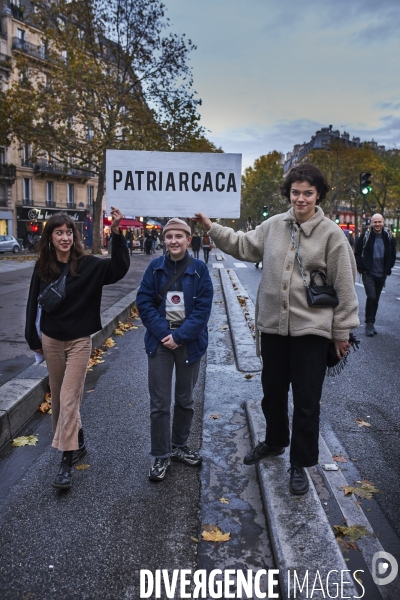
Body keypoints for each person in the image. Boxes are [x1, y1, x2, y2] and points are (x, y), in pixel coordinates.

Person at [196, 164, 359, 495]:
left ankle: (300, 462)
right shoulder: (273, 226)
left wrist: (341, 332)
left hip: (311, 332)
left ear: (319, 196)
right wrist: (211, 227)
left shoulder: (332, 234)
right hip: (272, 328)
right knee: (271, 391)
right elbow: (243, 245)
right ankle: (274, 441)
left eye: (308, 193)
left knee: (306, 400)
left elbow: (345, 286)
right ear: (288, 193)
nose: (301, 199)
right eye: (295, 192)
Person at [25, 208, 129, 489]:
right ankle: (77, 440)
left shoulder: (88, 265)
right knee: (59, 398)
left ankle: (66, 461)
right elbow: (33, 302)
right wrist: (32, 339)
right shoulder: (43, 267)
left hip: (80, 342)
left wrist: (117, 233)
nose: (65, 237)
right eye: (59, 232)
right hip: (51, 340)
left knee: (70, 397)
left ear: (75, 235)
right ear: (50, 237)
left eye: (69, 232)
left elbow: (118, 269)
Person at [136, 218, 213, 482]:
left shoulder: (200, 269)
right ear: (164, 240)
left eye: (179, 236)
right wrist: (165, 334)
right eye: (169, 237)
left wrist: (179, 336)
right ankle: (160, 454)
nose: (174, 241)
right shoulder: (155, 268)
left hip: (189, 344)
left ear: (188, 240)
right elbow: (144, 302)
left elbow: (203, 310)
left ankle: (179, 446)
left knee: (185, 400)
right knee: (159, 403)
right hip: (160, 343)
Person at [354, 214, 396, 336]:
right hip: (369, 273)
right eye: (375, 222)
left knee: (376, 300)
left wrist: (389, 267)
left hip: (382, 273)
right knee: (371, 296)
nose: (377, 224)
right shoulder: (365, 237)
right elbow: (357, 253)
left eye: (379, 222)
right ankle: (369, 324)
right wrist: (362, 268)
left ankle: (372, 323)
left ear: (383, 223)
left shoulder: (388, 237)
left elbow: (392, 255)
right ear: (371, 223)